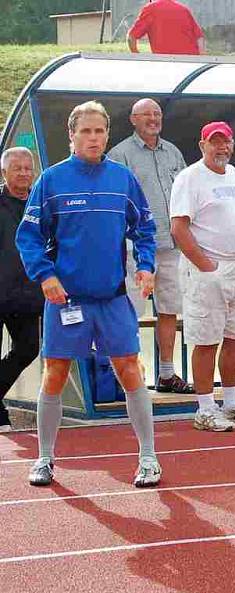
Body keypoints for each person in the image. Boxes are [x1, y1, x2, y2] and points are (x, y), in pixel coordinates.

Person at [15, 101, 160, 487]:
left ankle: (148, 456)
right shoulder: (52, 181)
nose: (94, 138)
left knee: (130, 370)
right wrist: (45, 276)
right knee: (55, 374)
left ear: (107, 136)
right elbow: (28, 237)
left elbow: (145, 228)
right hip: (67, 302)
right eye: (86, 131)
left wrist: (146, 266)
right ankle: (44, 458)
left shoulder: (122, 179)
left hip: (112, 298)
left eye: (99, 131)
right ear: (72, 136)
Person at [170, 121, 235, 432]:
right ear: (202, 146)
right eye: (214, 142)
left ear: (232, 144)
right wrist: (205, 266)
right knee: (206, 339)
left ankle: (232, 402)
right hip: (209, 270)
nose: (221, 148)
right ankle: (204, 407)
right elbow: (179, 227)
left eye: (225, 142)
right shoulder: (189, 178)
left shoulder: (234, 174)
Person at [108, 98, 192, 394]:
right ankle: (127, 376)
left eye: (157, 114)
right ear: (133, 119)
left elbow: (186, 193)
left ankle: (167, 374)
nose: (153, 119)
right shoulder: (119, 154)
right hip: (136, 246)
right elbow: (115, 201)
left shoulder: (173, 152)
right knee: (130, 309)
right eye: (146, 114)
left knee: (169, 309)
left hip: (172, 244)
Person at [0, 148, 43, 433]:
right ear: (4, 173)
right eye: (17, 168)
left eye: (28, 168)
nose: (24, 173)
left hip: (27, 296)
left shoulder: (39, 205)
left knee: (28, 348)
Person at [127, 0, 205, 55]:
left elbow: (131, 38)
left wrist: (137, 56)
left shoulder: (151, 9)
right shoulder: (184, 9)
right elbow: (200, 38)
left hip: (166, 63)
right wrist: (199, 59)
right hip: (191, 63)